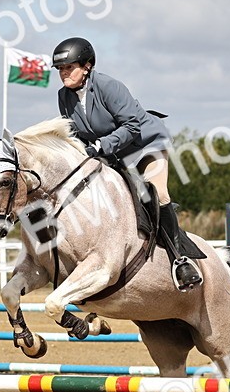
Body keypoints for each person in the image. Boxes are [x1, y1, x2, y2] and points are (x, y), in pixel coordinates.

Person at [51, 36, 205, 291]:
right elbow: (74, 132)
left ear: (87, 65)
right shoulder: (64, 96)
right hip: (113, 153)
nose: (64, 74)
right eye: (60, 69)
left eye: (69, 67)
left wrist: (100, 146)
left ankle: (181, 260)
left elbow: (132, 125)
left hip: (144, 145)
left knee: (157, 192)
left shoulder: (108, 86)